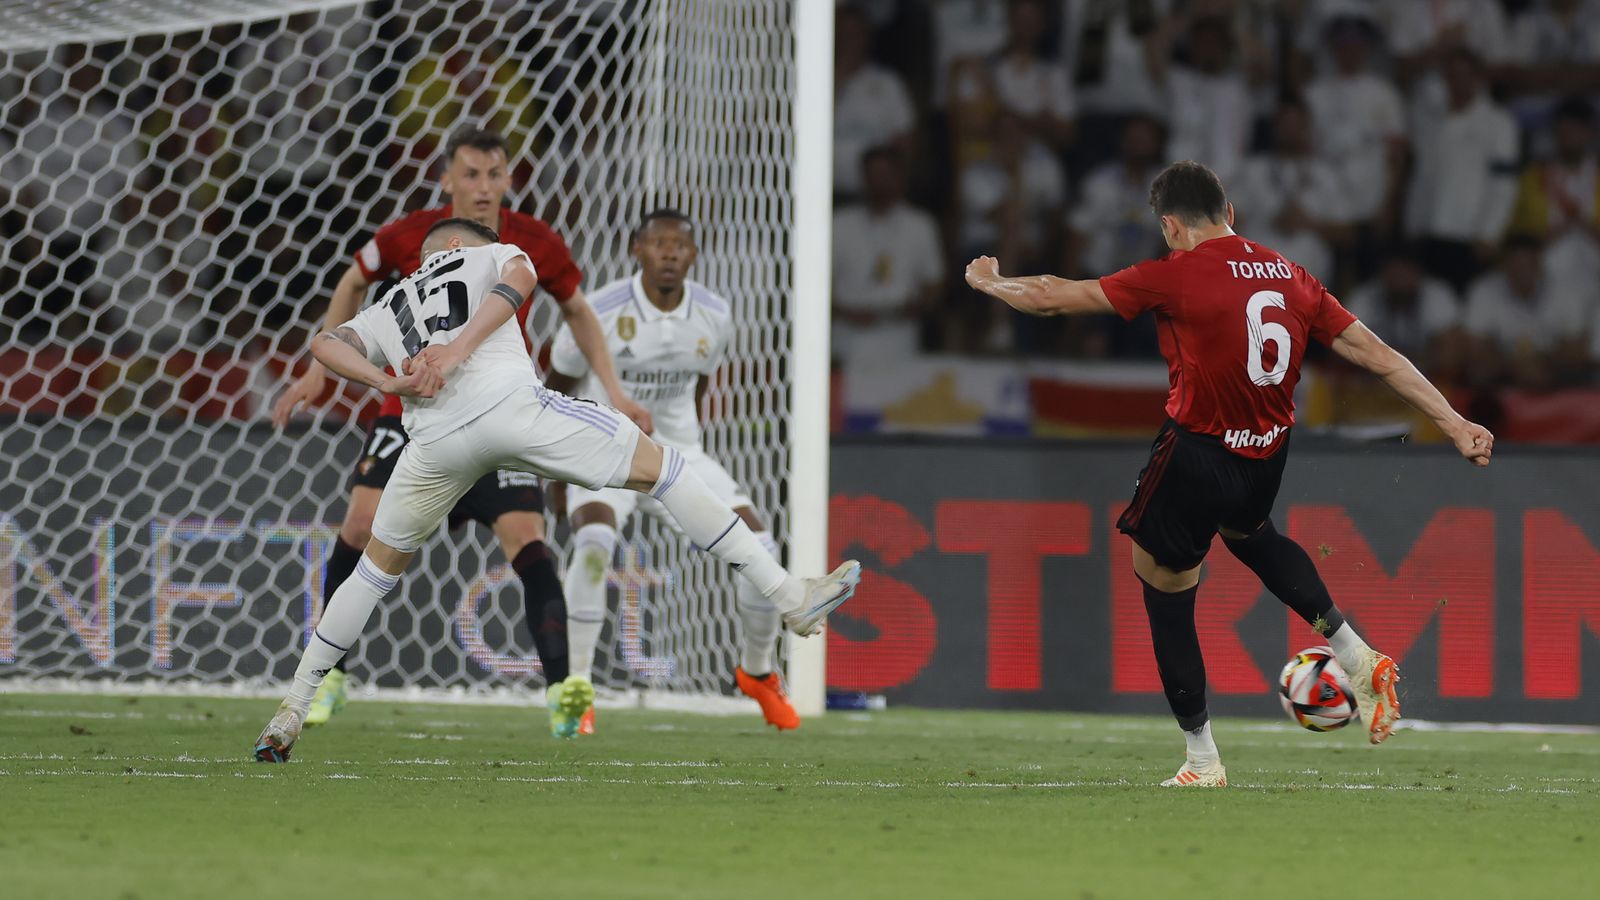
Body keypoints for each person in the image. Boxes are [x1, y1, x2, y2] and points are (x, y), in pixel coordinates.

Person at [964, 161, 1494, 787]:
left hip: (1199, 453)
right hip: (1267, 452)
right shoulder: (1292, 275)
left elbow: (1055, 296)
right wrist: (1457, 423)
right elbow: (1376, 355)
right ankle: (1354, 653)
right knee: (1249, 533)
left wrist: (992, 283)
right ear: (1231, 213)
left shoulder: (1176, 274)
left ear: (1170, 226)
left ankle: (1202, 759)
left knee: (1162, 582)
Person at [254, 219, 862, 761]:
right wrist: (460, 349)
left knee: (373, 572)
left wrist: (388, 378)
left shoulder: (389, 305)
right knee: (668, 469)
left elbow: (324, 344)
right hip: (512, 408)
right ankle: (787, 594)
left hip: (432, 438)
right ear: (460, 245)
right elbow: (520, 279)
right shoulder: (492, 253)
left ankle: (292, 708)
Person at [269, 127, 651, 732]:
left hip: (501, 407)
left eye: (494, 174)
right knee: (363, 525)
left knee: (526, 534)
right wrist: (321, 375)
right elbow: (352, 280)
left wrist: (617, 390)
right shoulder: (411, 236)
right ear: (446, 179)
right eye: (469, 174)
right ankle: (329, 680)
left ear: (509, 179)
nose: (482, 186)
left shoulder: (533, 242)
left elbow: (577, 309)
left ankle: (562, 694)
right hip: (411, 413)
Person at [544, 210, 797, 732]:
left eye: (679, 245)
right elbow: (557, 384)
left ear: (694, 255)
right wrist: (554, 467)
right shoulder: (599, 311)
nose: (669, 253)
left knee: (762, 549)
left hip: (677, 452)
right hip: (601, 451)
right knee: (593, 544)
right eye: (658, 244)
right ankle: (578, 689)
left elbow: (699, 384)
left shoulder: (714, 313)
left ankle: (757, 671)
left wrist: (688, 444)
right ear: (636, 250)